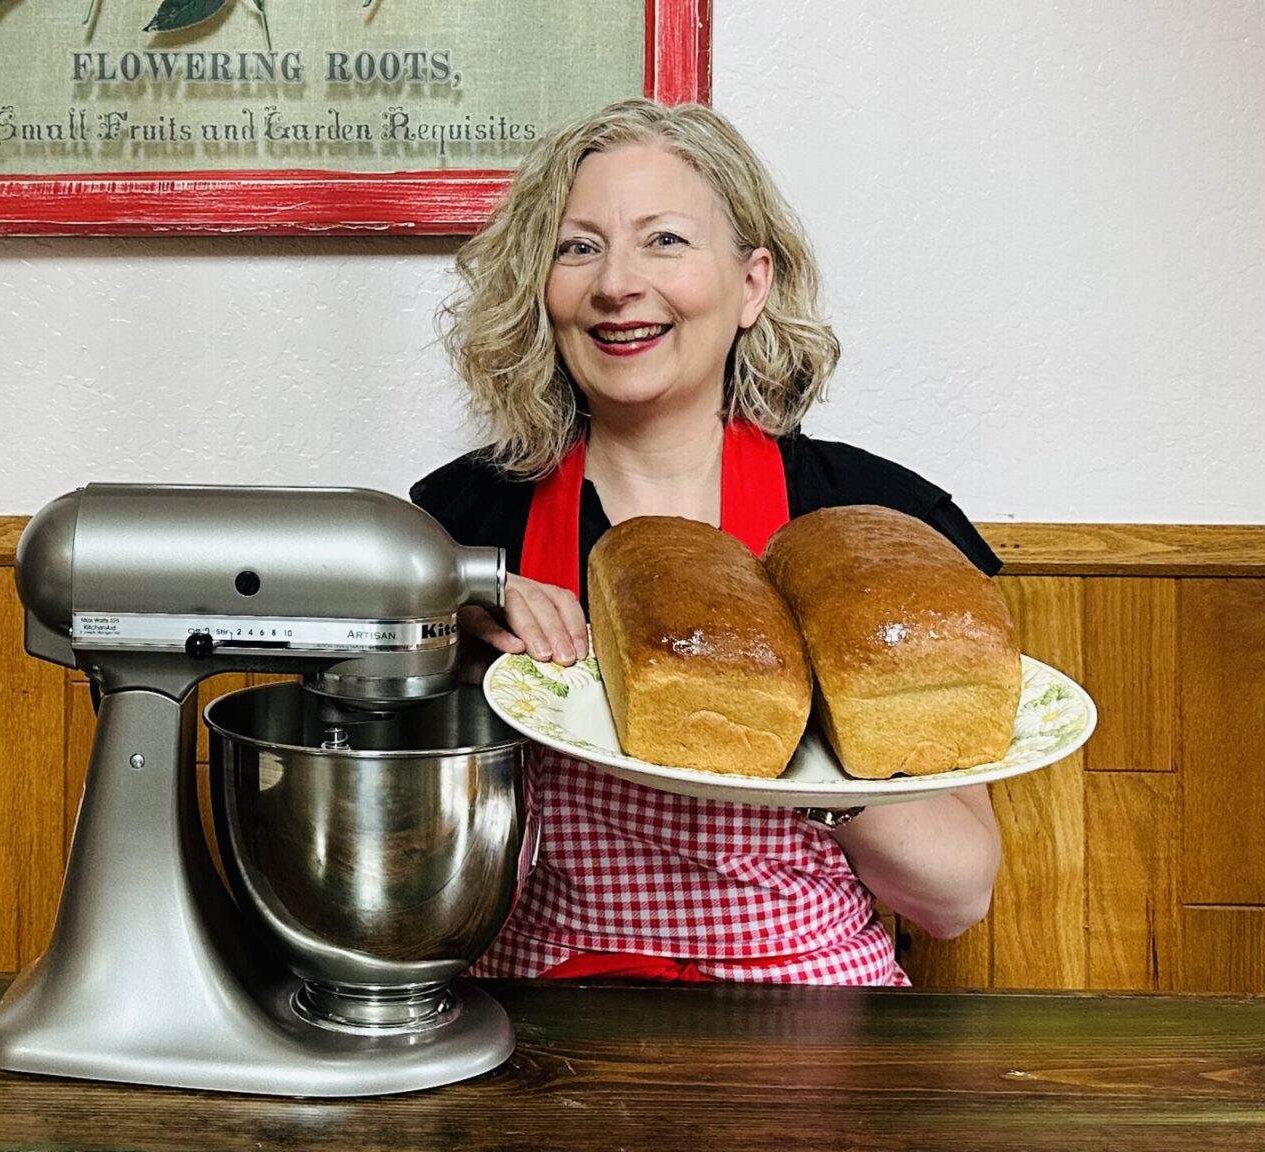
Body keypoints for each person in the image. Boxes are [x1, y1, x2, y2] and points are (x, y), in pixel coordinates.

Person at [411, 98, 1002, 985]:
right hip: (538, 1009)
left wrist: (811, 750)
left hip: (809, 1009)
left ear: (752, 284)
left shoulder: (877, 526)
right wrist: (444, 665)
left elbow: (958, 897)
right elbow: (408, 869)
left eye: (665, 241)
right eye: (578, 248)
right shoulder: (461, 526)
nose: (616, 284)